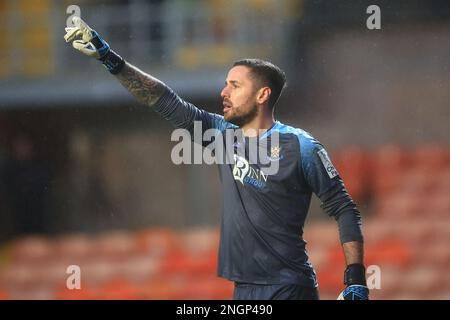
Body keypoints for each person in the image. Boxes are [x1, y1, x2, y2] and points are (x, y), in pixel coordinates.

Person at [64, 16, 369, 300]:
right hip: (243, 290)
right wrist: (110, 59)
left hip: (289, 286)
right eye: (226, 84)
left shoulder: (302, 147)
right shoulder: (221, 134)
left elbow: (344, 208)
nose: (224, 92)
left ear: (262, 95)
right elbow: (161, 98)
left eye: (235, 86)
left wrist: (354, 278)